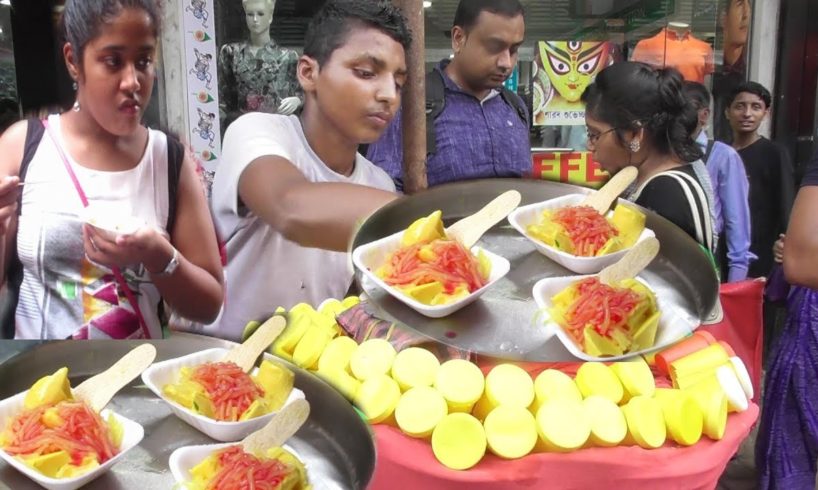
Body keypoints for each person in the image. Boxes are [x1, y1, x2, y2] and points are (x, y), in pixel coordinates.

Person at [184, 0, 408, 341]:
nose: (389, 95)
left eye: (399, 83)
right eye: (366, 73)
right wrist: (435, 216)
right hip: (215, 362)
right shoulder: (257, 133)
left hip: (299, 378)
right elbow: (291, 209)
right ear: (308, 73)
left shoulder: (378, 183)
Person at [0, 0, 224, 339]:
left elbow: (208, 306)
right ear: (74, 61)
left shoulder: (168, 161)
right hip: (40, 383)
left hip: (134, 382)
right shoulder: (24, 147)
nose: (132, 81)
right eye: (113, 61)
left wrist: (158, 256)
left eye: (144, 61)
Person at [366, 0, 529, 190]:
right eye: (494, 47)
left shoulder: (515, 108)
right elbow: (381, 192)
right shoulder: (412, 104)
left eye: (514, 50)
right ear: (458, 38)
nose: (507, 63)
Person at [581, 62, 714, 252]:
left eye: (594, 134)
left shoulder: (665, 194)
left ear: (635, 134)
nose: (589, 145)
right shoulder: (648, 179)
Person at [755, 150, 818, 490]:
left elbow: (802, 263)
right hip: (806, 320)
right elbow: (799, 261)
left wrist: (799, 253)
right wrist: (794, 249)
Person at [683, 81, 753, 282]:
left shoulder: (723, 156)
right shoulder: (665, 152)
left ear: (704, 115)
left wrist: (735, 283)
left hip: (706, 258)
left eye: (684, 111)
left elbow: (736, 222)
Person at [724, 81, 795, 279]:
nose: (747, 113)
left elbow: (786, 203)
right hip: (724, 250)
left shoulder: (774, 154)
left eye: (756, 107)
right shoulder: (721, 154)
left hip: (761, 254)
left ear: (766, 113)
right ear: (727, 112)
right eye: (740, 106)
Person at [218, 0, 302, 129]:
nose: (255, 19)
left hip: (277, 130)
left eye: (261, 14)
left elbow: (302, 93)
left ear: (270, 17)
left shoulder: (288, 57)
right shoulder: (231, 53)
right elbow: (223, 99)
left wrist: (297, 101)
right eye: (250, 14)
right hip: (243, 129)